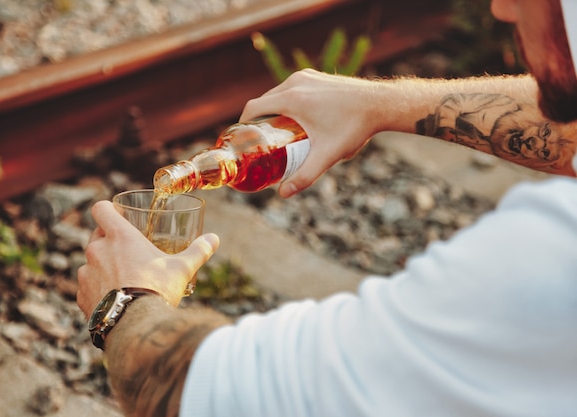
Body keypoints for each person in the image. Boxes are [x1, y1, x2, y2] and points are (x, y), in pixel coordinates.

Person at [76, 0, 577, 416]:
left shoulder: (549, 252)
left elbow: (221, 392)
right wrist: (379, 104)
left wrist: (124, 300)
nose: (502, 6)